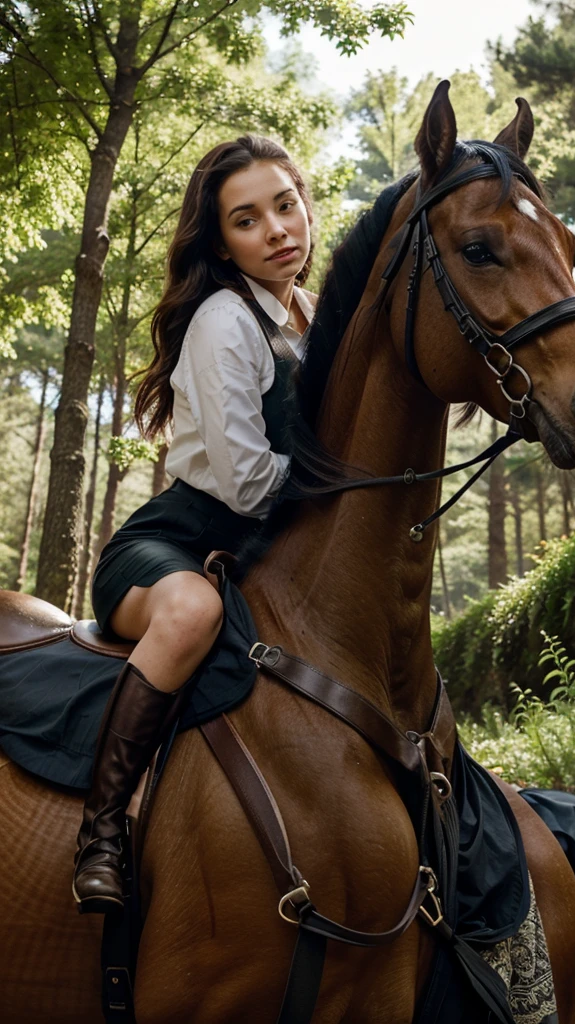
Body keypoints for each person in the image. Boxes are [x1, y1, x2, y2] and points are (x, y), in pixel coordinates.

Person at [72, 135, 316, 914]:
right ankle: (101, 834)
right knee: (193, 611)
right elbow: (246, 482)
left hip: (260, 550)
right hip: (173, 543)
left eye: (286, 205)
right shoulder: (223, 319)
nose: (278, 229)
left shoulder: (308, 313)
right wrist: (341, 493)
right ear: (221, 241)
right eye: (248, 220)